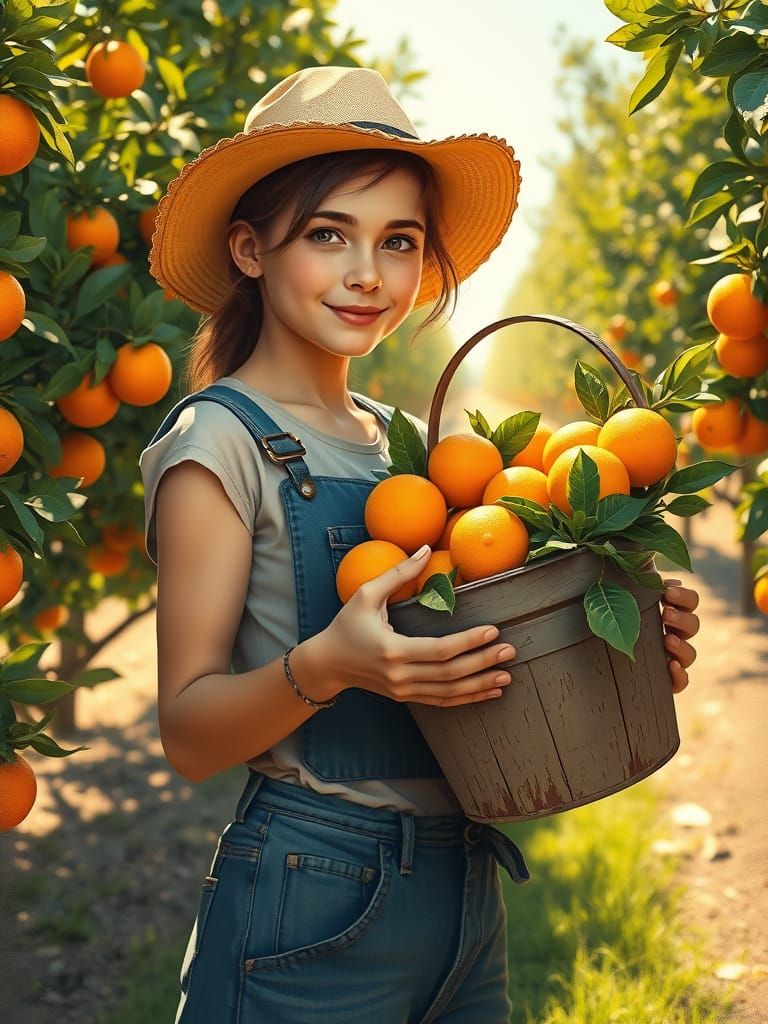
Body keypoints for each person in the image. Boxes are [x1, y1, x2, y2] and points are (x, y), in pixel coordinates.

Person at [138, 65, 701, 1024]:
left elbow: (483, 641)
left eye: (397, 241)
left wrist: (611, 634)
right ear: (250, 249)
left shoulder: (411, 445)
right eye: (329, 235)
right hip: (310, 894)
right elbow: (188, 733)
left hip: (465, 893)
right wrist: (331, 665)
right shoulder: (220, 442)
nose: (369, 273)